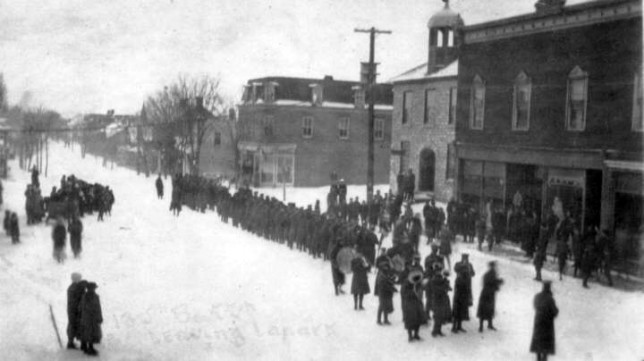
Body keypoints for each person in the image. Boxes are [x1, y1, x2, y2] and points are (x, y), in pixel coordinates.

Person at [530, 281, 559, 361]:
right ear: (549, 288)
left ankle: (538, 358)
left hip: (538, 321)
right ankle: (544, 358)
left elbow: (535, 306)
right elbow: (555, 311)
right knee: (546, 341)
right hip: (547, 323)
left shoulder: (537, 296)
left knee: (538, 339)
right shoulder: (550, 298)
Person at [477, 261, 503, 332]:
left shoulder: (490, 274)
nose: (495, 268)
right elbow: (492, 282)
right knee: (486, 309)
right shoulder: (491, 274)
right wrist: (499, 282)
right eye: (494, 266)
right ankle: (483, 326)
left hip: (487, 293)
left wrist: (498, 282)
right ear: (492, 267)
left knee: (487, 309)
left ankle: (487, 325)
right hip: (488, 293)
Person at [80, 282, 103, 356]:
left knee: (91, 333)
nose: (93, 289)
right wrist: (98, 316)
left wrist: (99, 317)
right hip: (90, 318)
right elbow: (96, 308)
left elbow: (98, 308)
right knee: (90, 333)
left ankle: (90, 347)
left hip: (90, 318)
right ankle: (90, 348)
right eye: (93, 288)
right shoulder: (88, 297)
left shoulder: (90, 296)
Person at [401, 273, 425, 342]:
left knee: (418, 320)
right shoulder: (405, 284)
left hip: (417, 304)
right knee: (410, 321)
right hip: (409, 305)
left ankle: (416, 334)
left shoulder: (418, 284)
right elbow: (404, 294)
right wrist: (413, 292)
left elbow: (421, 291)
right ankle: (410, 336)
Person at [67, 273, 86, 349]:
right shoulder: (77, 288)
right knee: (80, 325)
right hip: (77, 310)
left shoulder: (71, 287)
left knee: (72, 325)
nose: (80, 279)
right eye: (79, 278)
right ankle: (82, 344)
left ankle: (70, 342)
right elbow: (81, 298)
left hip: (71, 310)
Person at [431, 269, 452, 337]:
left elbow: (447, 288)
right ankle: (435, 331)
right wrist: (445, 286)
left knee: (440, 316)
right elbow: (438, 290)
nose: (440, 278)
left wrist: (446, 285)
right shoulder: (434, 282)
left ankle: (439, 330)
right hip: (437, 301)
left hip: (441, 300)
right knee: (437, 316)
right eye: (438, 276)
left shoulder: (442, 281)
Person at [451, 267, 471, 333]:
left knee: (461, 312)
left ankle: (459, 326)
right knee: (456, 313)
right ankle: (454, 327)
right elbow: (460, 288)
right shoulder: (459, 279)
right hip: (458, 297)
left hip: (462, 298)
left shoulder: (464, 279)